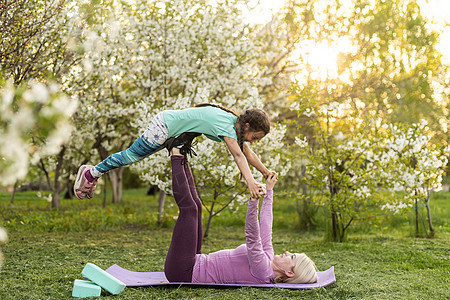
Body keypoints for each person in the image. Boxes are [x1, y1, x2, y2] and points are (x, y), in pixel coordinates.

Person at [164, 147, 318, 284]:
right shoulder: (269, 258)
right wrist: (269, 192)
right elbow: (266, 226)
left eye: (291, 257)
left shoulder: (263, 271)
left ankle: (176, 155)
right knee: (197, 206)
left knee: (189, 210)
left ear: (290, 273)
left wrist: (253, 201)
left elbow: (252, 236)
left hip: (184, 272)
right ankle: (182, 154)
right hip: (195, 261)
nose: (288, 252)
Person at [74, 104, 275, 200]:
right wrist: (251, 182)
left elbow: (247, 153)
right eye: (255, 137)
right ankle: (91, 173)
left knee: (131, 157)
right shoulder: (227, 126)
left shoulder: (233, 125)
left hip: (168, 126)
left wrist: (265, 172)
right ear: (247, 125)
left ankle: (94, 172)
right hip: (164, 127)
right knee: (131, 156)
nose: (253, 141)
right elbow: (238, 155)